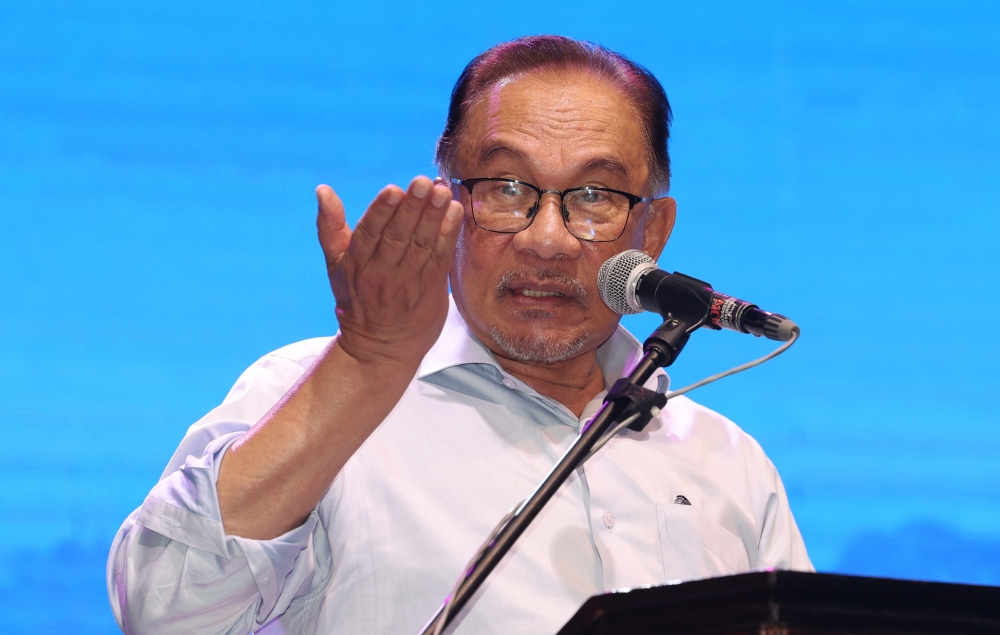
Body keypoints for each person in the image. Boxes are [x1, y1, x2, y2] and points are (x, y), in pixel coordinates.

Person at [107, 35, 812, 635]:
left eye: (595, 196)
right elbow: (166, 609)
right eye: (507, 187)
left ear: (651, 232)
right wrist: (365, 363)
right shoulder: (315, 393)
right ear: (451, 205)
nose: (548, 239)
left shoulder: (726, 462)